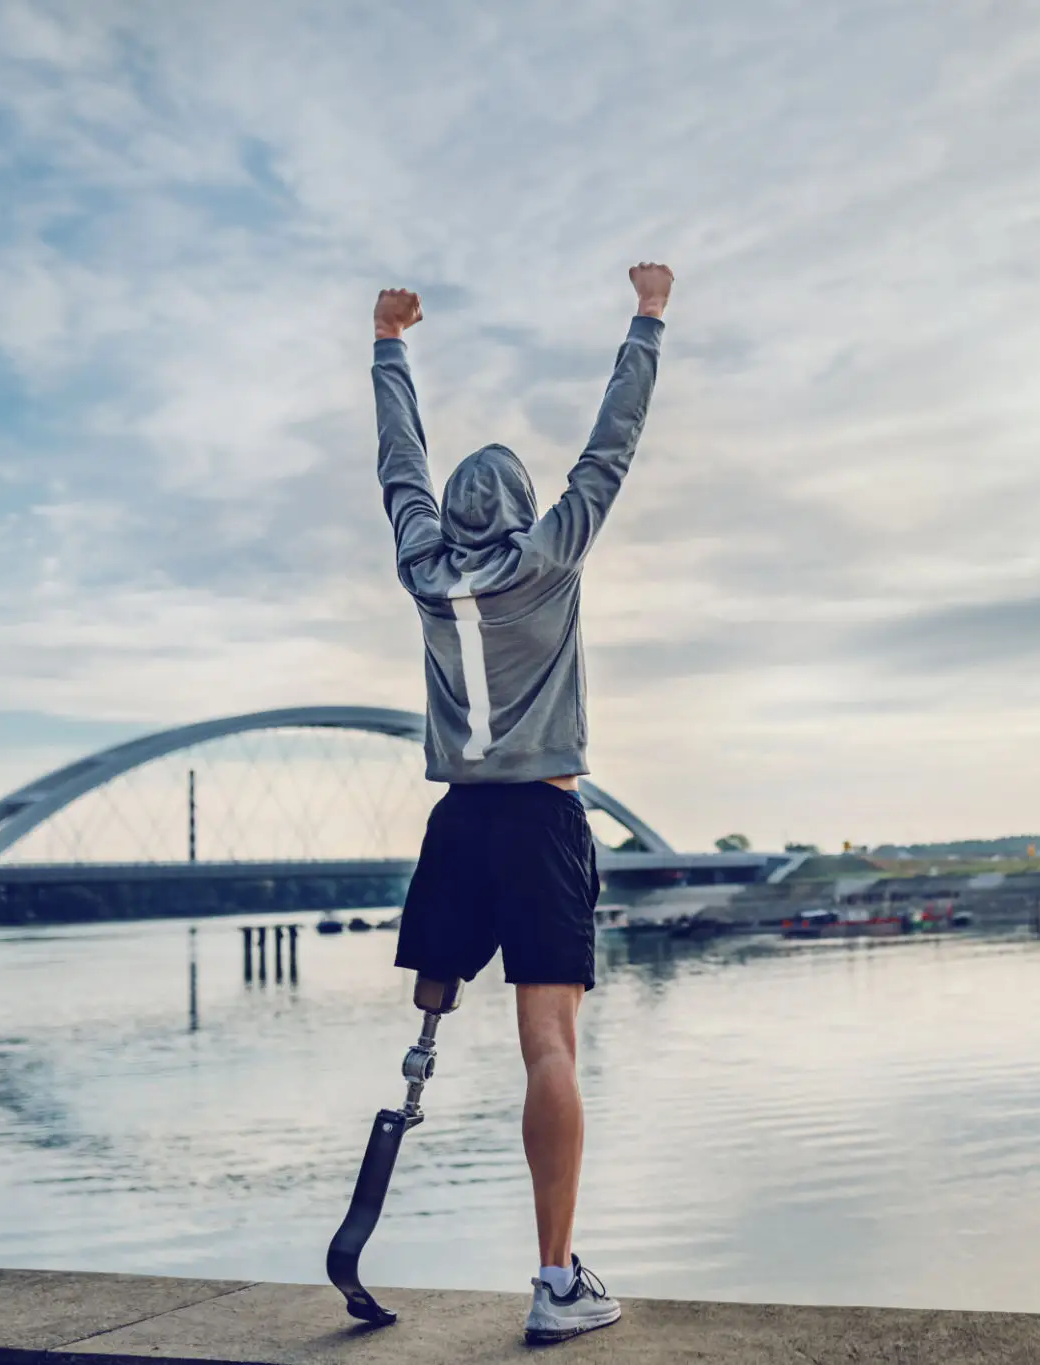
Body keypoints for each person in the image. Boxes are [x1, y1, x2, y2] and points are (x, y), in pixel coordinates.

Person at [369, 263, 673, 1344]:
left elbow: (397, 465)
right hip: (541, 819)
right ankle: (554, 1283)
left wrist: (388, 343)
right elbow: (610, 449)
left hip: (457, 826)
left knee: (432, 1017)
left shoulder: (419, 565)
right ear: (524, 511)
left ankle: (408, 1086)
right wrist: (646, 319)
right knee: (548, 1044)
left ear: (450, 513)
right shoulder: (549, 557)